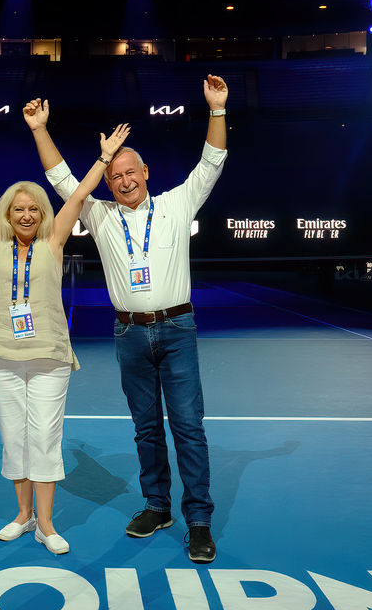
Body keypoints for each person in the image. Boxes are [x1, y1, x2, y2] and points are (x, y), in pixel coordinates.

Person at [22, 75, 228, 563]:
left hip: (176, 329)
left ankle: (198, 519)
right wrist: (39, 129)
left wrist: (216, 110)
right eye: (115, 176)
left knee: (188, 427)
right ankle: (157, 506)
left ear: (146, 172)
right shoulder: (99, 215)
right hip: (129, 334)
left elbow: (212, 162)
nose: (124, 180)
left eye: (130, 172)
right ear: (109, 182)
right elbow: (62, 180)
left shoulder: (178, 203)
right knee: (146, 429)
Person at [0, 115, 130, 555]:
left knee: (44, 438)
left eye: (32, 208)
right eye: (17, 208)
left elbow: (78, 195)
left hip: (50, 355)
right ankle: (23, 515)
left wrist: (105, 158)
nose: (24, 214)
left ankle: (47, 524)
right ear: (7, 213)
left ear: (42, 213)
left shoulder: (54, 241)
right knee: (14, 438)